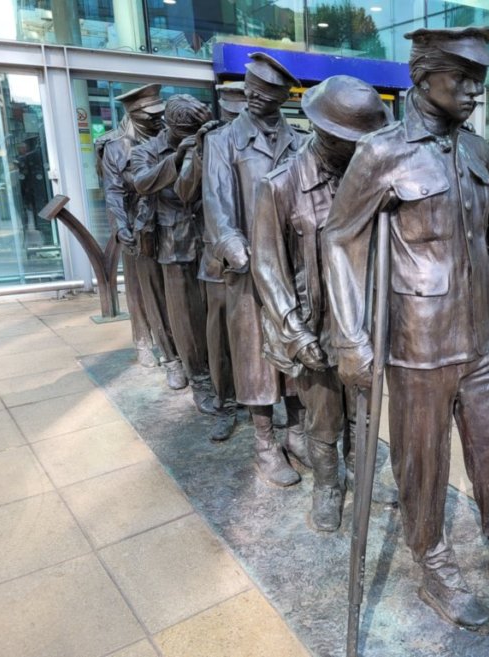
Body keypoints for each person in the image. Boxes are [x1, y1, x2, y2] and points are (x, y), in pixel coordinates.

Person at [323, 27, 489, 631]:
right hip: (417, 339)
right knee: (422, 463)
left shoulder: (480, 152)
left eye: (479, 79)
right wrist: (350, 338)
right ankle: (433, 564)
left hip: (482, 335)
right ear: (422, 76)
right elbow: (339, 240)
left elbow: (487, 243)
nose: (474, 90)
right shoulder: (381, 153)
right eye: (461, 77)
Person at [252, 75, 394, 531]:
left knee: (364, 412)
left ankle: (361, 472)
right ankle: (327, 485)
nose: (357, 149)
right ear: (321, 131)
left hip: (363, 319)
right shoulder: (278, 186)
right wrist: (295, 331)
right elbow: (267, 267)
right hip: (314, 324)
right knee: (324, 418)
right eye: (347, 140)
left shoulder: (371, 179)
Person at [203, 52, 309, 486]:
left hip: (294, 267)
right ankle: (265, 443)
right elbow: (216, 204)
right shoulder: (223, 141)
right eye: (252, 91)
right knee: (255, 360)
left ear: (284, 98)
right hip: (248, 273)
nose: (256, 99)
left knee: (298, 352)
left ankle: (298, 431)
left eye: (268, 95)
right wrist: (236, 248)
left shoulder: (301, 141)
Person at [132, 94, 216, 415]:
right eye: (185, 134)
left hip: (209, 237)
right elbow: (141, 182)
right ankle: (200, 380)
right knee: (185, 317)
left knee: (214, 312)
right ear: (170, 126)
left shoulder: (207, 140)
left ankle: (222, 376)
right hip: (173, 240)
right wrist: (177, 158)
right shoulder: (145, 151)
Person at [99, 84, 185, 385]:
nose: (156, 119)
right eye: (149, 115)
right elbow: (112, 192)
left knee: (172, 290)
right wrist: (120, 226)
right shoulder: (115, 146)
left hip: (171, 220)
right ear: (133, 114)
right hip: (138, 224)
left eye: (158, 113)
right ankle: (152, 345)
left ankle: (177, 348)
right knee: (144, 289)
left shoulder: (167, 136)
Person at [174, 83, 245, 442]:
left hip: (260, 256)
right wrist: (198, 155)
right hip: (217, 260)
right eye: (231, 114)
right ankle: (226, 404)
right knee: (219, 338)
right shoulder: (210, 141)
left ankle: (263, 401)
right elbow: (183, 192)